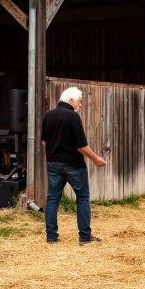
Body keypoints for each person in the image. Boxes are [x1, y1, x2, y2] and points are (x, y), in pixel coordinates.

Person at [41, 87, 107, 245]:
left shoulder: (48, 115)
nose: (81, 104)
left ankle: (51, 237)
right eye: (79, 101)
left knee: (52, 199)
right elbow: (81, 146)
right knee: (82, 197)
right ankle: (85, 237)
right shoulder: (73, 116)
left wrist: (53, 154)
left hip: (53, 163)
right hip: (73, 165)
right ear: (71, 100)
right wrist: (96, 159)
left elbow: (44, 142)